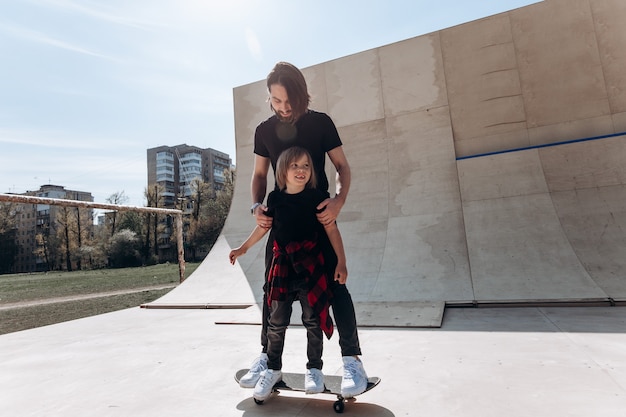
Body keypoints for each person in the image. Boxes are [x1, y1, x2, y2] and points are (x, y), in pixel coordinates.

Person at [241, 61, 368, 398]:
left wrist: (339, 199)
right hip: (280, 222)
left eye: (288, 101)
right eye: (275, 101)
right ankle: (268, 358)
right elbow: (258, 175)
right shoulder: (264, 131)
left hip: (318, 217)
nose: (282, 108)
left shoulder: (320, 123)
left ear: (301, 95)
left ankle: (351, 359)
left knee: (337, 287)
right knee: (272, 291)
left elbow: (342, 166)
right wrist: (256, 206)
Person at [230, 147, 347, 401]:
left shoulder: (317, 197)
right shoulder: (274, 199)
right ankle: (272, 369)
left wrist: (341, 263)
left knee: (312, 320)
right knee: (276, 322)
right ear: (283, 171)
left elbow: (331, 230)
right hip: (282, 267)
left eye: (306, 165)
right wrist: (243, 248)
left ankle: (314, 369)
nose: (301, 170)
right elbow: (264, 228)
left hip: (310, 268)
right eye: (295, 166)